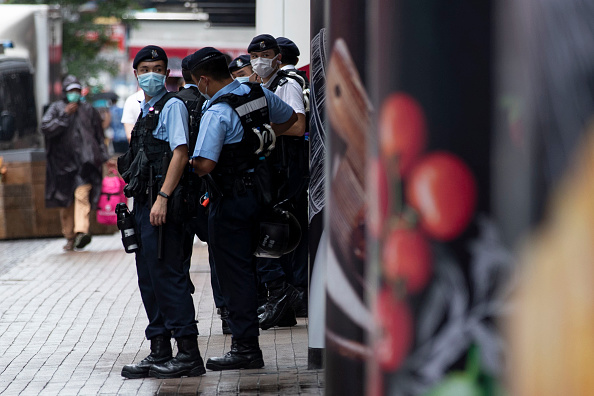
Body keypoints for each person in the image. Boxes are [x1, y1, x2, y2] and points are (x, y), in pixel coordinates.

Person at [187, 47, 298, 371]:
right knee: (249, 271)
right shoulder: (258, 92)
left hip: (231, 202)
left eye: (197, 83)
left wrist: (187, 164)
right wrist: (257, 138)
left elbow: (205, 164)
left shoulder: (217, 111)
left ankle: (245, 348)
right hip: (260, 196)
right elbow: (290, 119)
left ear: (204, 80)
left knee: (234, 276)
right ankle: (247, 346)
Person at [118, 45, 204, 379]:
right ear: (136, 73)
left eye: (158, 67)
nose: (151, 73)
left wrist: (164, 197)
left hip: (162, 205)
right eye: (145, 68)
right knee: (149, 279)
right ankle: (159, 349)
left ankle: (188, 354)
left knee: (169, 277)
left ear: (167, 73)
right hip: (144, 205)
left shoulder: (172, 106)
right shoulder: (146, 109)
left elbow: (181, 153)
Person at [248, 34, 308, 327]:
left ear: (278, 58)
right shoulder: (260, 86)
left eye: (266, 54)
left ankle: (294, 296)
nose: (259, 61)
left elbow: (298, 127)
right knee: (274, 234)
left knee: (288, 231)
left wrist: (264, 130)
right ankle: (283, 304)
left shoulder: (287, 85)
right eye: (254, 56)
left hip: (288, 168)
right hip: (271, 169)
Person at [178, 54, 230, 334]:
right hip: (212, 188)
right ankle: (225, 312)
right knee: (219, 253)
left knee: (178, 255)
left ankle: (184, 315)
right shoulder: (214, 102)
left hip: (182, 191)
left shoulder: (173, 105)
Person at [41, 75, 108, 251]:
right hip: (62, 166)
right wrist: (64, 115)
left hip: (84, 165)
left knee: (81, 196)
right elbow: (46, 128)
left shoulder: (88, 110)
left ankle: (81, 232)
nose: (74, 94)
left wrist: (104, 157)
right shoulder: (56, 109)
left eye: (77, 91)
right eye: (71, 91)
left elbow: (99, 136)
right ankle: (70, 236)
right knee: (66, 203)